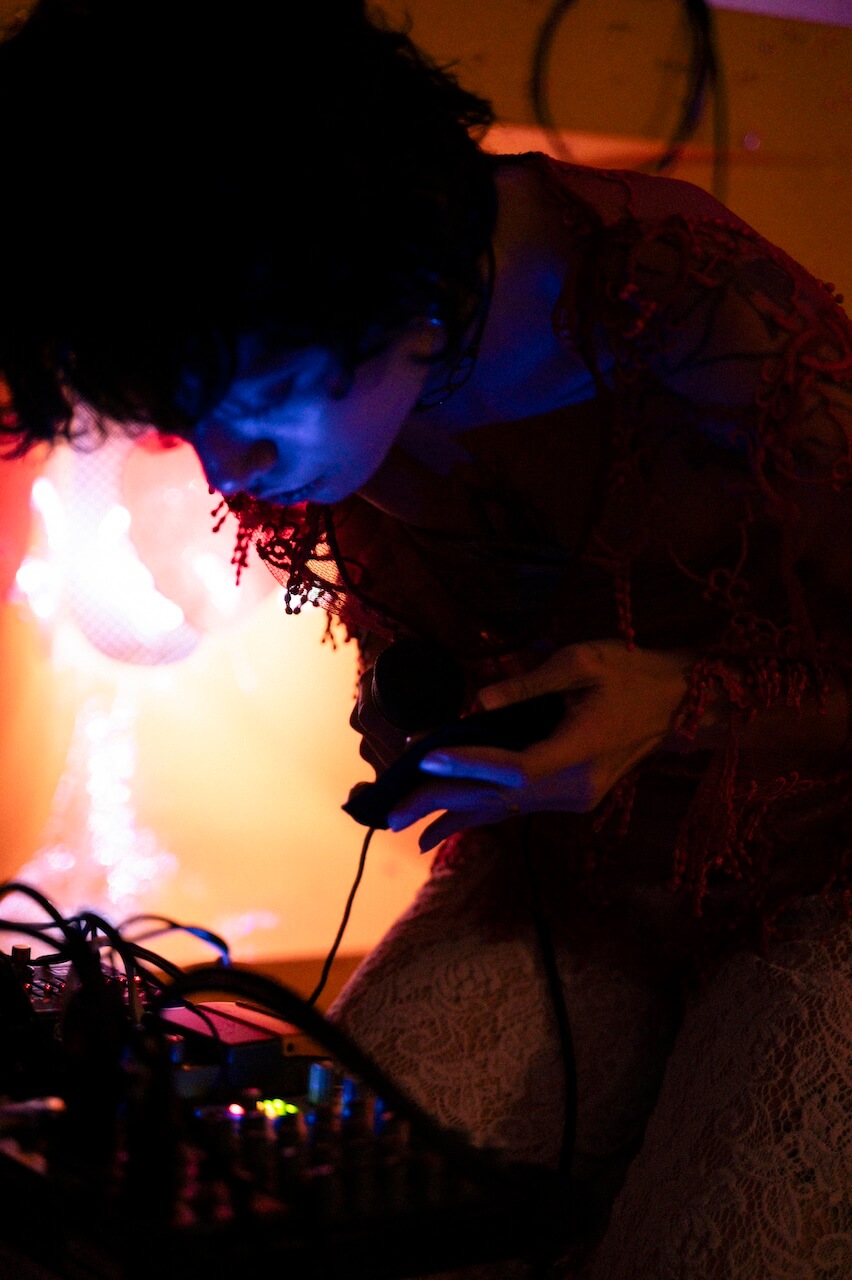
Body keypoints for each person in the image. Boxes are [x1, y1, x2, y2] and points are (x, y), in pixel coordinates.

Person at [1, 2, 850, 1275]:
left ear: (383, 276)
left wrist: (683, 704)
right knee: (312, 1216)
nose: (227, 470)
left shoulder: (691, 307)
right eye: (184, 417)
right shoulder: (314, 344)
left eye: (251, 403)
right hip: (568, 884)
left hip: (831, 870)